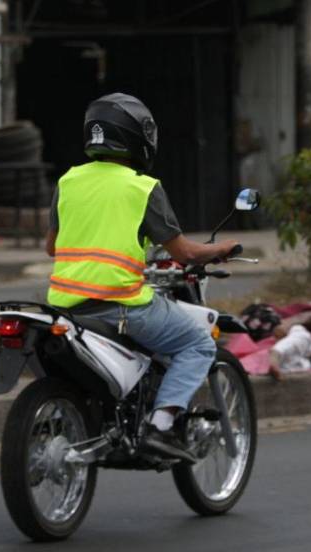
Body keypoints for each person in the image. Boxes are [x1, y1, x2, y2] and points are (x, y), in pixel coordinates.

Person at [45, 92, 239, 461]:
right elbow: (184, 253)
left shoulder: (68, 181)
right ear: (139, 137)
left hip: (66, 308)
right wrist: (221, 248)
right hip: (120, 309)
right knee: (198, 343)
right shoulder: (143, 187)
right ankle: (161, 426)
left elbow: (51, 247)